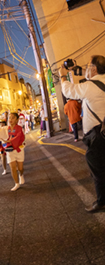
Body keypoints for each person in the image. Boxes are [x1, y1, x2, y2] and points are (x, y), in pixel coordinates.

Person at [60, 56, 105, 213]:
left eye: (88, 66)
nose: (86, 69)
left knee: (98, 170)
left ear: (93, 69)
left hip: (98, 136)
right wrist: (77, 69)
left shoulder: (89, 86)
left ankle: (102, 202)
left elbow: (68, 90)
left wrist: (63, 75)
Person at [6, 112, 26, 191]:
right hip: (10, 150)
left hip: (19, 150)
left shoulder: (19, 128)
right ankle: (16, 183)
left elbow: (19, 137)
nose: (10, 119)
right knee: (12, 167)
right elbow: (0, 135)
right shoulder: (5, 128)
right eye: (9, 117)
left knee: (20, 168)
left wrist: (10, 141)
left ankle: (21, 175)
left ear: (17, 120)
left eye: (13, 118)